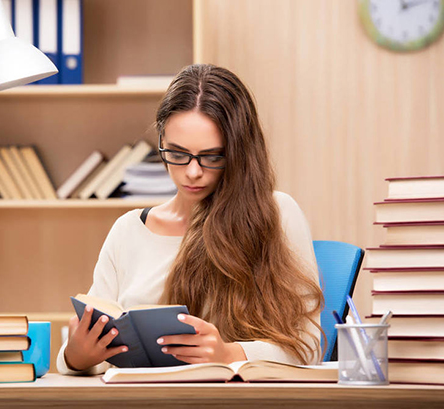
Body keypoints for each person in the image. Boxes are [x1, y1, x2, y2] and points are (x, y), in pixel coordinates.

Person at [57, 64, 323, 375]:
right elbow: (90, 346)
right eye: (178, 153)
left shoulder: (276, 214)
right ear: (161, 143)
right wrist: (75, 356)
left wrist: (228, 353)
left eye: (212, 156)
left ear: (239, 153)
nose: (193, 172)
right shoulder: (128, 230)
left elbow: (309, 349)